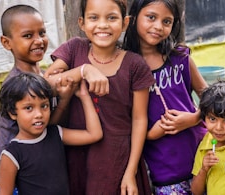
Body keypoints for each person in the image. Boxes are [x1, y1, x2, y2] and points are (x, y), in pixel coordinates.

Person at [44, 0, 155, 194]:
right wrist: (83, 70)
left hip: (116, 159)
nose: (102, 25)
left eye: (111, 18)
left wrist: (131, 171)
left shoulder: (135, 65)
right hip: (76, 155)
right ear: (82, 23)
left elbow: (139, 119)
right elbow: (46, 84)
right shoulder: (74, 50)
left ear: (125, 23)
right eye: (94, 18)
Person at [0, 5, 81, 194]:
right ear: (7, 43)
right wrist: (84, 71)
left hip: (32, 170)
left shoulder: (42, 76)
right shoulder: (15, 83)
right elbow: (44, 127)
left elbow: (50, 127)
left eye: (42, 33)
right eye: (28, 36)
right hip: (9, 175)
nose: (39, 41)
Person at [122, 0, 208, 194]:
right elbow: (125, 125)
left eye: (167, 21)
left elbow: (210, 97)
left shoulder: (180, 57)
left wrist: (194, 118)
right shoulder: (126, 67)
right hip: (166, 169)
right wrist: (152, 133)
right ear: (133, 18)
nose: (158, 26)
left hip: (202, 157)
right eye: (151, 17)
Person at [0, 72, 103, 195]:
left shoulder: (55, 133)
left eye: (44, 106)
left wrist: (84, 96)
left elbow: (94, 134)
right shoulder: (12, 154)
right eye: (28, 108)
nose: (39, 114)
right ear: (13, 113)